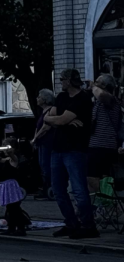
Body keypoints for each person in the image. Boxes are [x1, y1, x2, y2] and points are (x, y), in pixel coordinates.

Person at [44, 68, 97, 239]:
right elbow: (49, 116)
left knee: (78, 189)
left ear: (69, 80)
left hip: (75, 149)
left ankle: (88, 225)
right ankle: (71, 223)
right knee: (58, 190)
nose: (61, 82)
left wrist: (61, 120)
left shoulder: (83, 99)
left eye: (62, 79)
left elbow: (59, 119)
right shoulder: (61, 97)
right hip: (58, 148)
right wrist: (62, 120)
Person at [89, 75, 123, 199]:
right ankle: (104, 203)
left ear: (104, 86)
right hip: (99, 143)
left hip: (102, 144)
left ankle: (105, 199)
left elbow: (102, 95)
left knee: (91, 175)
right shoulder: (98, 102)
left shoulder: (111, 100)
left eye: (98, 82)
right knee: (103, 176)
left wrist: (93, 86)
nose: (94, 84)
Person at [31, 89, 56, 200]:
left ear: (45, 99)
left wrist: (35, 138)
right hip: (41, 143)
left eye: (39, 97)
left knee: (46, 166)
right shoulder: (43, 112)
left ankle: (50, 189)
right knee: (43, 166)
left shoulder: (50, 110)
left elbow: (46, 127)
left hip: (47, 142)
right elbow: (38, 127)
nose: (37, 99)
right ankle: (46, 188)